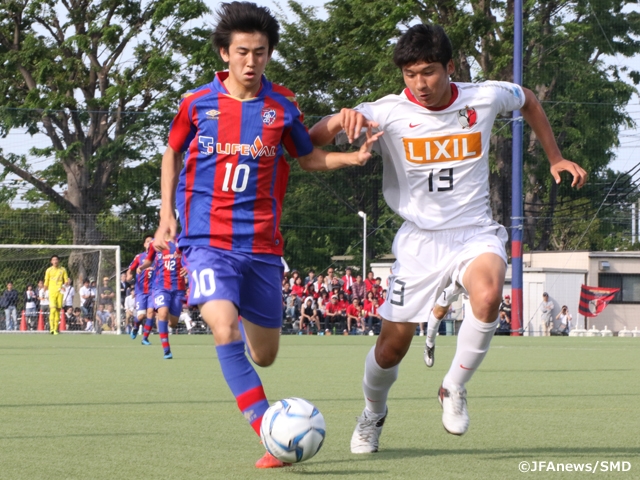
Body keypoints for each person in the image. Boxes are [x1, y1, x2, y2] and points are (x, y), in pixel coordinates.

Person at [309, 23, 587, 451]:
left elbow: (528, 99)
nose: (419, 84)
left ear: (450, 67)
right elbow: (307, 148)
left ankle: (452, 386)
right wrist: (338, 125)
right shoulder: (384, 112)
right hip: (419, 241)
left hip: (474, 231)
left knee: (491, 292)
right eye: (410, 74)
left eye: (429, 72)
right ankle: (373, 413)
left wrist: (555, 156)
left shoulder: (485, 96)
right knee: (391, 349)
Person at [151, 1, 381, 468]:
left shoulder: (282, 107)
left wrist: (351, 159)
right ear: (224, 54)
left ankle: (266, 409)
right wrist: (166, 215)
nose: (250, 61)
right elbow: (171, 154)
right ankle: (269, 431)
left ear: (268, 55)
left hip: (261, 247)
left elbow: (308, 157)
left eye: (259, 52)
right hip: (206, 242)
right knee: (223, 326)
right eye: (241, 52)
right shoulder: (196, 104)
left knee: (266, 354)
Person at [138, 240, 186, 359]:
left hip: (178, 288)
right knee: (162, 313)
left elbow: (191, 257)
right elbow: (149, 260)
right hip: (160, 287)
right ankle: (166, 350)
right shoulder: (156, 243)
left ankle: (166, 311)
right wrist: (142, 266)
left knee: (173, 323)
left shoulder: (182, 241)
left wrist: (189, 267)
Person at [127, 235, 156, 342]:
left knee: (151, 314)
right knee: (141, 316)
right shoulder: (139, 257)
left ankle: (145, 338)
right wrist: (129, 275)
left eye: (151, 241)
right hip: (141, 291)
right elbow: (130, 269)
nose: (150, 243)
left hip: (153, 291)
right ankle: (135, 327)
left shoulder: (158, 257)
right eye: (147, 241)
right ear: (144, 244)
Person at [44, 255, 69, 335]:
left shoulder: (63, 269)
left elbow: (66, 280)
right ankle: (51, 328)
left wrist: (64, 286)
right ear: (51, 261)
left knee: (58, 310)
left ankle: (55, 329)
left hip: (60, 292)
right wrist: (45, 291)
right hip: (51, 292)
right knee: (53, 309)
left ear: (58, 261)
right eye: (53, 260)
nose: (55, 261)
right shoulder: (49, 270)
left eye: (56, 259)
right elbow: (46, 281)